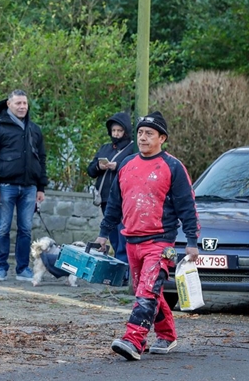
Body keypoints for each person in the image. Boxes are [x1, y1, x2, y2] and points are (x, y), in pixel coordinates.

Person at [94, 111, 200, 361]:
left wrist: (192, 241)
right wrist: (103, 234)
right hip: (131, 240)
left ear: (162, 138)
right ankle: (167, 335)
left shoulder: (173, 166)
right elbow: (114, 205)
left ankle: (134, 340)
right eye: (140, 133)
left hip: (160, 242)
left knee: (147, 292)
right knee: (150, 292)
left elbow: (187, 206)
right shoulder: (127, 165)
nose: (143, 138)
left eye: (149, 134)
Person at [0, 90, 48, 282]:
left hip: (29, 188)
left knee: (26, 229)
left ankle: (23, 269)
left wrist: (41, 187)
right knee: (3, 228)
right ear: (9, 104)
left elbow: (41, 159)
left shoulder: (34, 130)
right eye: (18, 103)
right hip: (4, 187)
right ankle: (1, 268)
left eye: (25, 103)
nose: (22, 107)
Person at [87, 113, 134, 267]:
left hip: (123, 199)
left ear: (126, 131)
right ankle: (120, 268)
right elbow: (91, 171)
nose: (116, 134)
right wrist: (98, 166)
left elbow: (135, 169)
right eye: (114, 131)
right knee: (113, 236)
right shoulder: (105, 148)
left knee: (122, 236)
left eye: (119, 131)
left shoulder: (132, 148)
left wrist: (118, 166)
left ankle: (125, 270)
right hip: (105, 198)